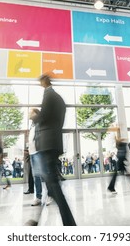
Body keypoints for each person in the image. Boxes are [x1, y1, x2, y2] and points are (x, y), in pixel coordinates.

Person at [29, 74, 76, 226]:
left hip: (48, 144)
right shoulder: (57, 98)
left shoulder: (49, 95)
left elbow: (44, 118)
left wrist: (34, 117)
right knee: (51, 184)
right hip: (53, 142)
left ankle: (68, 224)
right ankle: (39, 220)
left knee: (53, 184)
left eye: (40, 81)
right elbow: (56, 120)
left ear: (44, 82)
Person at [107, 124, 130, 194]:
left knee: (124, 172)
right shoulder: (111, 134)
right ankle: (111, 187)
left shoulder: (112, 134)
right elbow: (116, 143)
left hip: (119, 155)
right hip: (117, 156)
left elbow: (117, 141)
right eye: (113, 126)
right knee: (118, 172)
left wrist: (122, 139)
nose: (115, 127)